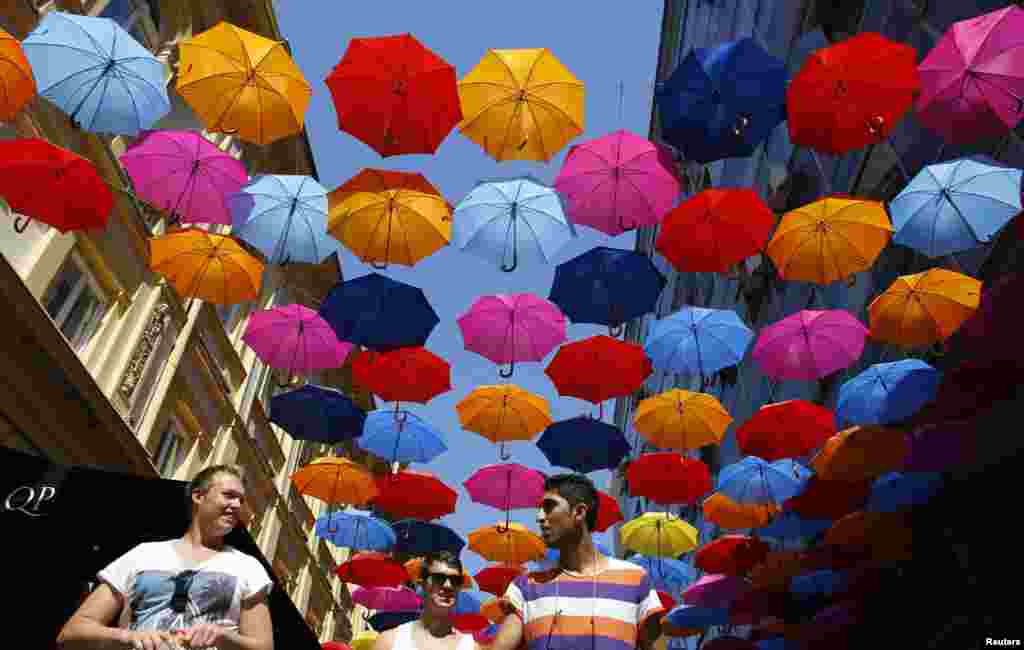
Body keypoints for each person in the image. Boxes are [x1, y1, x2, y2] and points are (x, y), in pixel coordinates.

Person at [57, 465, 274, 650]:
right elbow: (72, 632)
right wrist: (129, 637)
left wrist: (224, 637)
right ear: (199, 496)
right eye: (229, 495)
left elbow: (264, 647)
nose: (237, 505)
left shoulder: (247, 567)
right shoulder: (143, 554)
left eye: (241, 500)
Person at [489, 473, 665, 650]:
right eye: (539, 508)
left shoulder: (635, 579)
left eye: (549, 506)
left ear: (579, 512)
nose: (540, 517)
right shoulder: (525, 587)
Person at [373, 550, 474, 650]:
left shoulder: (471, 647)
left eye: (455, 580)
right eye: (438, 578)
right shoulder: (390, 642)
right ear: (422, 584)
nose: (448, 585)